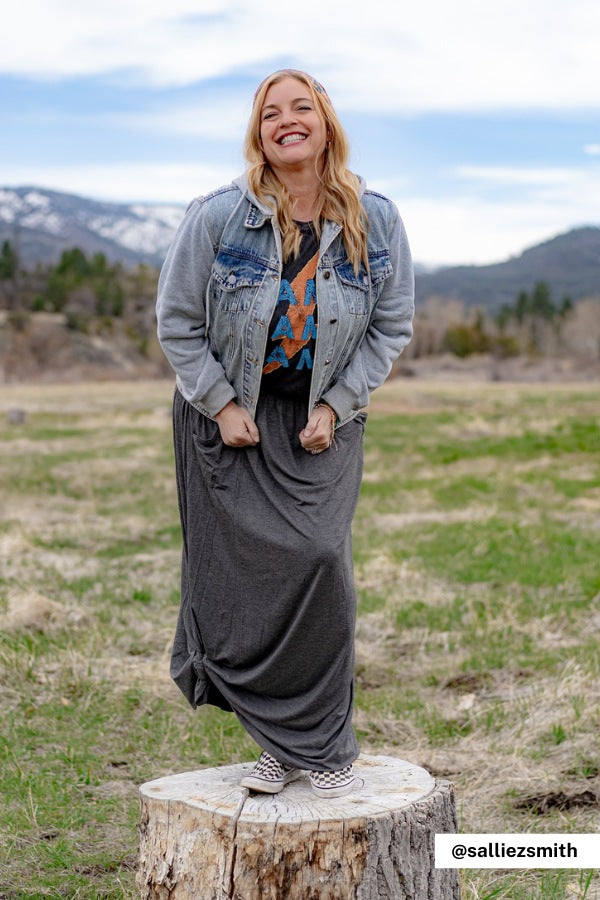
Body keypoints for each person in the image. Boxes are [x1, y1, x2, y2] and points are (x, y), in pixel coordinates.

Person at [156, 69, 414, 799]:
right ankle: (279, 744)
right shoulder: (217, 217)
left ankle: (323, 742)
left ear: (326, 124)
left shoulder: (376, 219)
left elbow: (392, 324)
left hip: (319, 420)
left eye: (302, 107)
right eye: (271, 112)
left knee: (322, 564)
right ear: (258, 132)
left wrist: (335, 404)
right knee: (240, 585)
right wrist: (218, 403)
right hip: (228, 416)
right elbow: (177, 321)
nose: (287, 120)